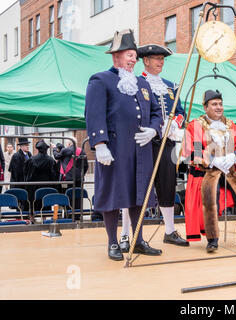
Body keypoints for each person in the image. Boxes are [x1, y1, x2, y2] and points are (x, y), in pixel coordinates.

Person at [85, 29, 163, 261]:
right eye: (129, 54)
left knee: (139, 195)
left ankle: (137, 241)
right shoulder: (101, 80)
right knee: (112, 195)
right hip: (115, 151)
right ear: (115, 56)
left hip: (141, 151)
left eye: (134, 56)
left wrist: (154, 129)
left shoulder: (142, 83)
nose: (133, 59)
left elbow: (157, 112)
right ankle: (112, 242)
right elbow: (94, 113)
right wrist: (99, 144)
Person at [121, 43, 188, 251]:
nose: (161, 62)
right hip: (144, 143)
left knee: (167, 185)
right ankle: (125, 234)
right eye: (157, 59)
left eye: (163, 59)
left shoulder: (171, 86)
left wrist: (176, 124)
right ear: (146, 61)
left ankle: (169, 231)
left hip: (166, 143)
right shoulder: (136, 83)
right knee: (136, 188)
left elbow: (181, 111)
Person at [182, 89, 236, 253]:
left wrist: (234, 156)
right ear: (205, 107)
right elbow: (193, 151)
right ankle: (212, 239)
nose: (219, 107)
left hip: (230, 169)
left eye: (220, 104)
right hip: (208, 172)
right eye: (214, 104)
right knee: (211, 193)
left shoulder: (230, 124)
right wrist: (212, 160)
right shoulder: (195, 125)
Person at [23, 140, 59, 218]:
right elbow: (54, 174)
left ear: (38, 149)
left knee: (33, 203)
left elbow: (26, 173)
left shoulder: (31, 160)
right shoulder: (51, 160)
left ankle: (32, 218)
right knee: (45, 203)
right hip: (47, 185)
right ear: (46, 149)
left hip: (34, 186)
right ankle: (44, 218)